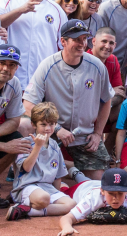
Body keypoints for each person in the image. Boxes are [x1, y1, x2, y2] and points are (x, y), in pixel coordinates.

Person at [23, 20, 113, 179]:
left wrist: (98, 133)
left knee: (98, 183)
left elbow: (106, 100)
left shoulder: (97, 66)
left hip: (84, 135)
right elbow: (28, 104)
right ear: (63, 41)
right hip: (52, 132)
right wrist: (55, 128)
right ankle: (26, 172)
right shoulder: (48, 65)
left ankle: (66, 167)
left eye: (84, 38)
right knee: (24, 124)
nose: (82, 43)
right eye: (76, 39)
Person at [0, 0, 66, 87]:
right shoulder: (8, 0)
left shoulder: (57, 10)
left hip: (43, 81)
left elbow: (62, 47)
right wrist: (20, 10)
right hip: (10, 78)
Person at [6, 103, 75, 221]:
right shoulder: (25, 143)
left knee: (71, 204)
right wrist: (37, 147)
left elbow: (58, 176)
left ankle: (26, 210)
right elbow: (26, 168)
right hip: (27, 186)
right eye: (43, 124)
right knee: (44, 198)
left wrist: (57, 196)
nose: (48, 128)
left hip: (47, 188)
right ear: (33, 124)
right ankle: (23, 201)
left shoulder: (55, 146)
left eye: (51, 124)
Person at [88, 27, 126, 154]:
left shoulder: (113, 60)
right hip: (84, 111)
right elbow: (85, 95)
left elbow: (120, 93)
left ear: (115, 45)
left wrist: (105, 107)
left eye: (111, 43)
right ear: (94, 41)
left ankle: (106, 152)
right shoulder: (84, 60)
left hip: (103, 109)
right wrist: (110, 92)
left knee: (123, 110)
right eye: (103, 41)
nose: (107, 46)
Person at [0, 44, 28, 182]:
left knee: (17, 141)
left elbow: (14, 121)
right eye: (1, 63)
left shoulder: (14, 83)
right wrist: (4, 146)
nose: (6, 68)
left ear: (16, 68)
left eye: (11, 64)